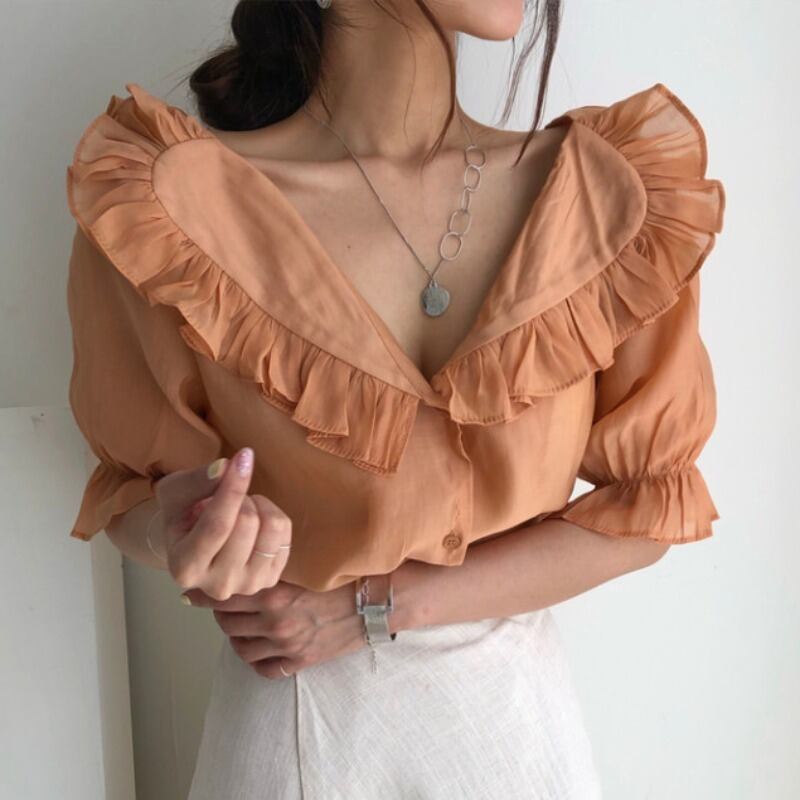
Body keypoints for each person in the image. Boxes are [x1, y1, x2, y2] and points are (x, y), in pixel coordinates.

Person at [64, 1, 726, 797]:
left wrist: (369, 607)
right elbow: (130, 495)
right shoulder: (166, 211)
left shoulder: (606, 197)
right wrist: (180, 529)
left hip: (513, 740)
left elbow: (651, 508)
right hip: (297, 736)